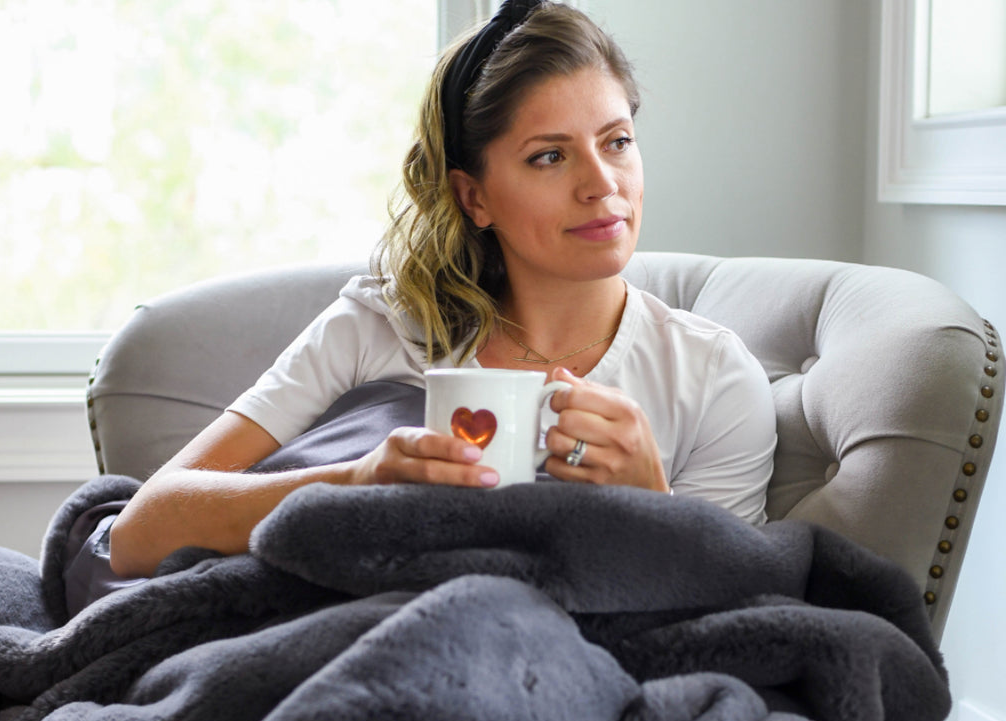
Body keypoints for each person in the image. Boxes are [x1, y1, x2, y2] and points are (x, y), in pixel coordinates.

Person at [109, 0, 776, 580]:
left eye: (617, 141)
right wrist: (356, 484)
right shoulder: (376, 329)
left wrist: (648, 507)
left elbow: (731, 632)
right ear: (474, 196)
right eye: (550, 155)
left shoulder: (712, 377)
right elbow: (138, 535)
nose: (602, 183)